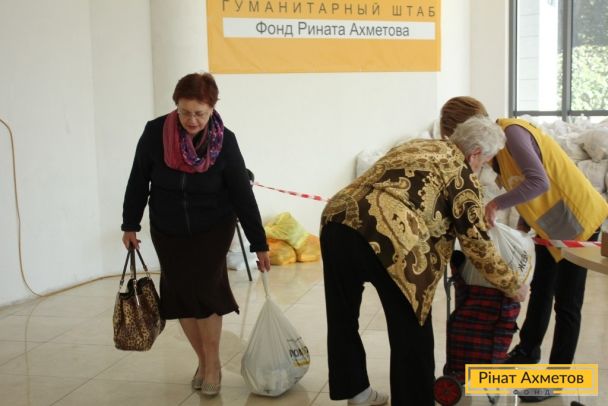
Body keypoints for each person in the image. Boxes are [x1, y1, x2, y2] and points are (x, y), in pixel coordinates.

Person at [320, 116, 528, 406]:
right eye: (485, 162)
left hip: (338, 219)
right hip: (391, 236)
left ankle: (357, 393)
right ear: (475, 154)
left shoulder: (418, 145)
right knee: (411, 328)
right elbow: (476, 241)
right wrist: (511, 283)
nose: (482, 169)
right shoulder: (462, 174)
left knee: (342, 316)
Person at [440, 96, 608, 402]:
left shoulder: (513, 133)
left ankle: (557, 379)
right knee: (541, 291)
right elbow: (527, 192)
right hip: (550, 227)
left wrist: (496, 204)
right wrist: (522, 226)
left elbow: (539, 182)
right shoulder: (496, 152)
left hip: (579, 221)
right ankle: (527, 352)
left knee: (567, 304)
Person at [121, 72, 271, 396]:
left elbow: (242, 194)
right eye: (185, 112)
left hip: (212, 227)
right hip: (167, 227)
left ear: (212, 108)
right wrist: (129, 224)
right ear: (176, 106)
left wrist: (258, 243)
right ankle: (203, 360)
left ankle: (213, 364)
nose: (191, 120)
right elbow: (138, 179)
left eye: (199, 113)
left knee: (206, 293)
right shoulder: (155, 133)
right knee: (179, 297)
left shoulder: (225, 140)